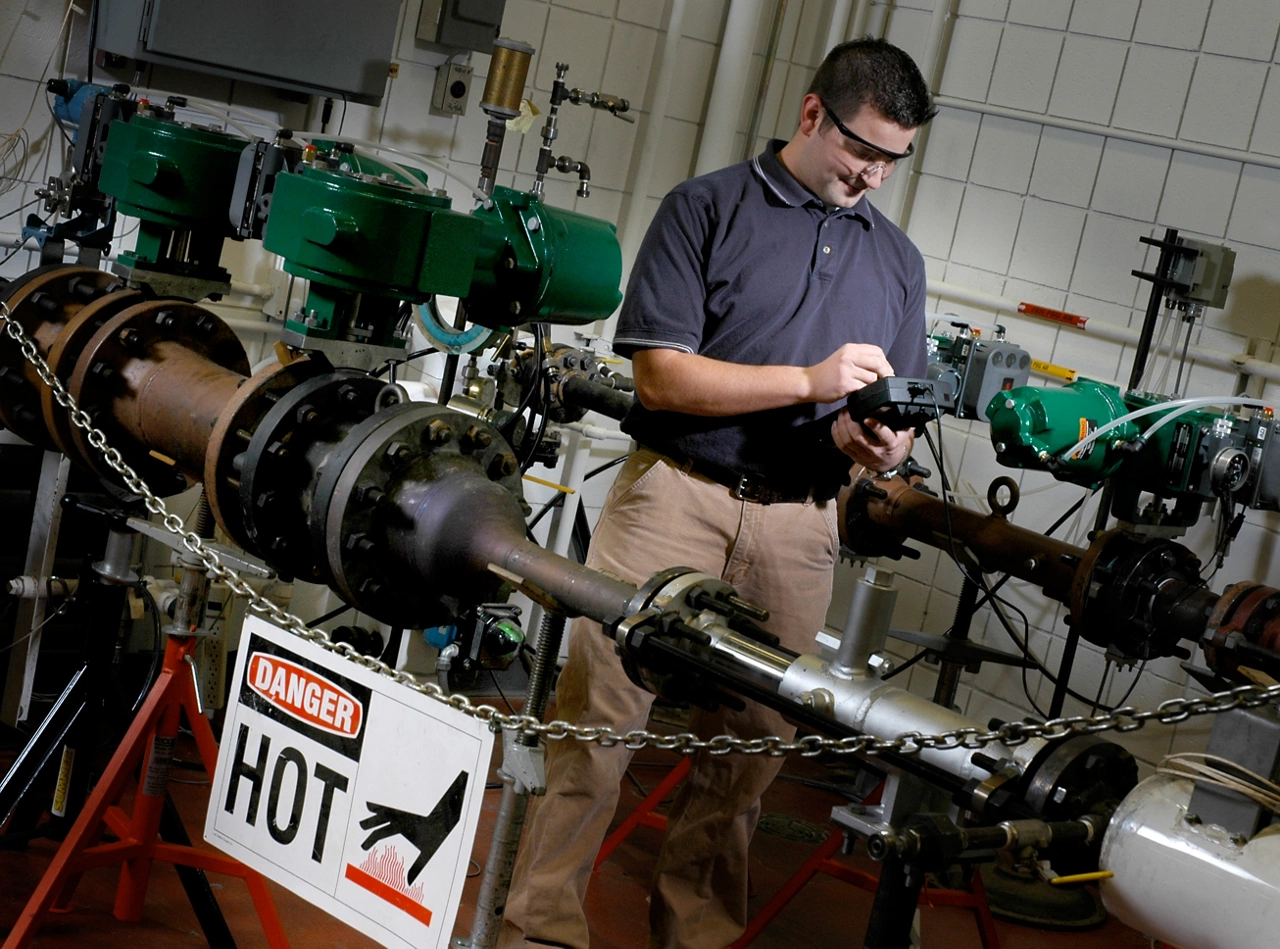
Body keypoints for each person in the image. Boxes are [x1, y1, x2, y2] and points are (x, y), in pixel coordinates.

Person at [501, 37, 936, 949]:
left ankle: (695, 937)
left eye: (893, 160)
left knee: (745, 764)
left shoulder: (897, 263)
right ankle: (540, 933)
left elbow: (884, 416)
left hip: (801, 526)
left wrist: (879, 443)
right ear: (813, 115)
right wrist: (812, 379)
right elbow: (662, 380)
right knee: (597, 732)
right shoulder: (705, 208)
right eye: (861, 149)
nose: (872, 177)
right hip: (676, 498)